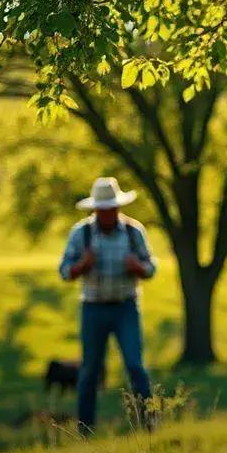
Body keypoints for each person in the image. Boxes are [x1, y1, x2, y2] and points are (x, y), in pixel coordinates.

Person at [58, 177, 158, 432]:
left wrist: (140, 268)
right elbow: (64, 271)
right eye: (103, 209)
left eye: (111, 208)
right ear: (95, 210)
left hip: (126, 306)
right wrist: (82, 265)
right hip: (93, 308)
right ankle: (85, 430)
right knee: (89, 370)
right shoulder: (81, 233)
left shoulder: (134, 232)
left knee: (135, 365)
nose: (108, 213)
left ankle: (149, 426)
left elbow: (151, 267)